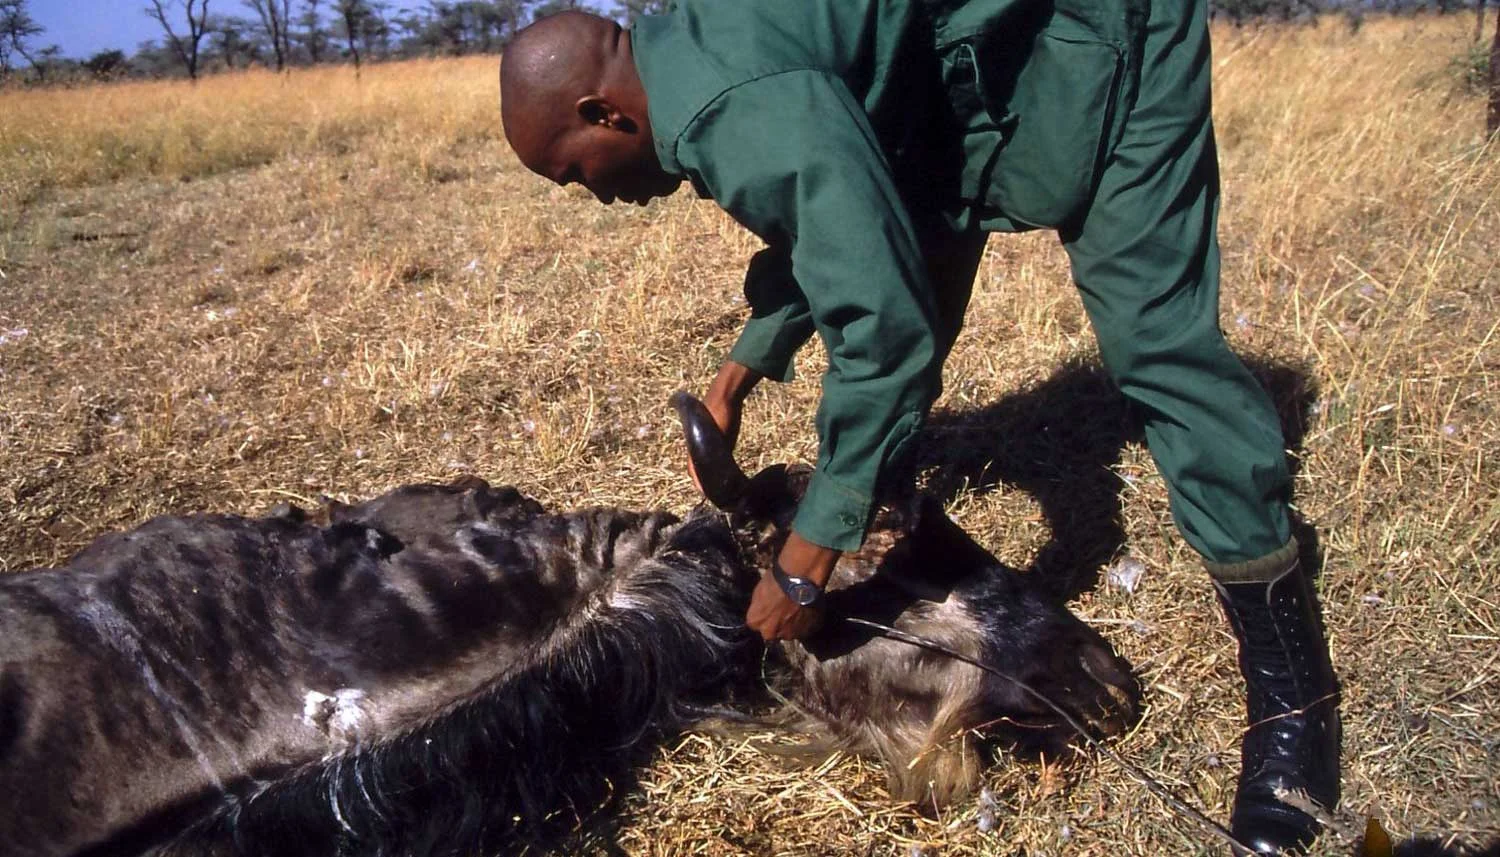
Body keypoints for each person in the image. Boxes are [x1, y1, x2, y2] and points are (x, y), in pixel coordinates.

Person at [499, 1, 1339, 853]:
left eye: (575, 172)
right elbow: (840, 210)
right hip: (960, 76)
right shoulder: (694, 55)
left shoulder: (734, 103)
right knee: (917, 253)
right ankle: (878, 497)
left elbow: (884, 330)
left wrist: (805, 563)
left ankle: (1293, 694)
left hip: (1112, 31)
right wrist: (740, 370)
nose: (596, 194)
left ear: (606, 113)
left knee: (1157, 344)